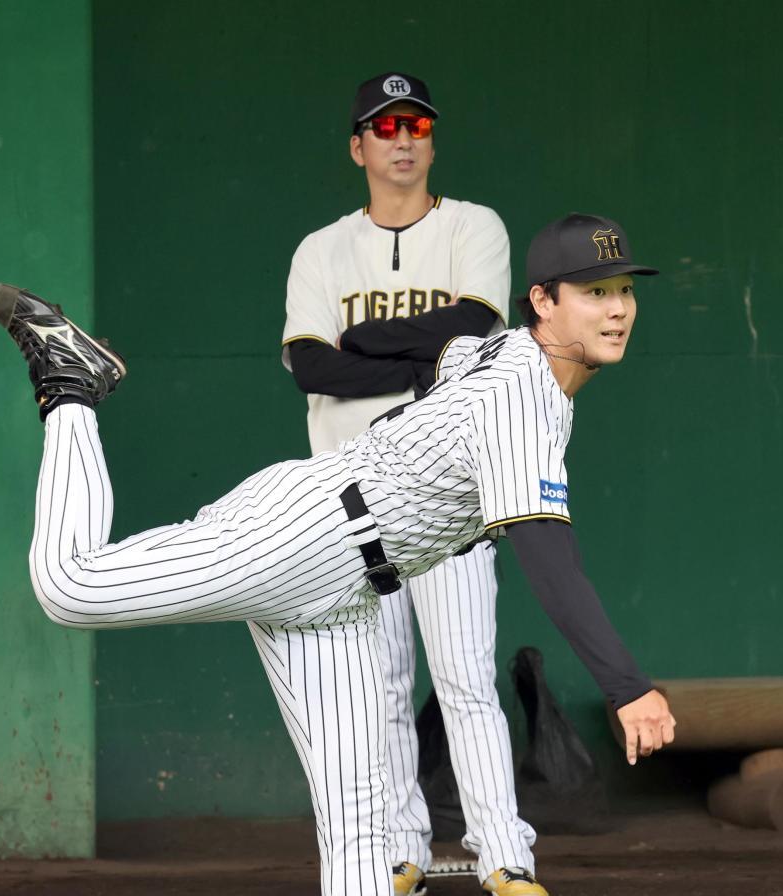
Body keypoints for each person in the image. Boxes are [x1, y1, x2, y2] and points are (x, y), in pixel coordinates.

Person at [0, 212, 676, 896]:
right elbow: (551, 560)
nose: (618, 309)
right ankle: (70, 388)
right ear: (543, 302)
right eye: (594, 292)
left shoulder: (502, 354)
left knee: (359, 825)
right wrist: (627, 686)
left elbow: (438, 357)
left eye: (624, 290)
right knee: (70, 585)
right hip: (305, 533)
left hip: (349, 589)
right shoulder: (523, 392)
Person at [280, 70, 531, 895]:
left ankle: (505, 855)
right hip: (353, 501)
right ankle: (401, 854)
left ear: (431, 140)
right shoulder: (321, 249)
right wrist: (423, 366)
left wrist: (366, 340)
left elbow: (476, 326)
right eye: (384, 128)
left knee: (466, 681)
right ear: (358, 147)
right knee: (380, 687)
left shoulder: (473, 226)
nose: (401, 140)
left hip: (452, 497)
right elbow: (311, 366)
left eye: (415, 126)